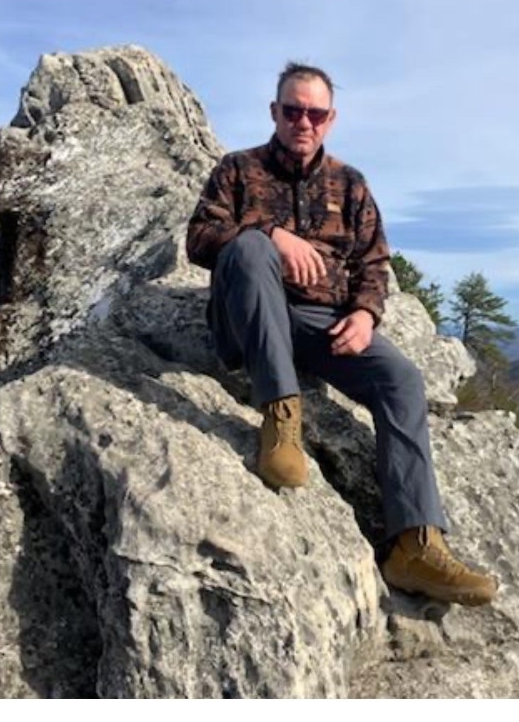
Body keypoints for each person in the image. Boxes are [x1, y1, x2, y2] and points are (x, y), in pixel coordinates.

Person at [186, 61, 497, 607]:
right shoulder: (237, 170)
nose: (302, 121)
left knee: (400, 379)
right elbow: (201, 238)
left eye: (315, 112)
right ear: (274, 113)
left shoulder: (351, 185)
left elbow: (374, 264)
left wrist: (364, 315)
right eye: (292, 110)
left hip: (318, 322)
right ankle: (281, 425)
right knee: (252, 247)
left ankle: (414, 545)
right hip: (245, 316)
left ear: (330, 120)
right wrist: (273, 235)